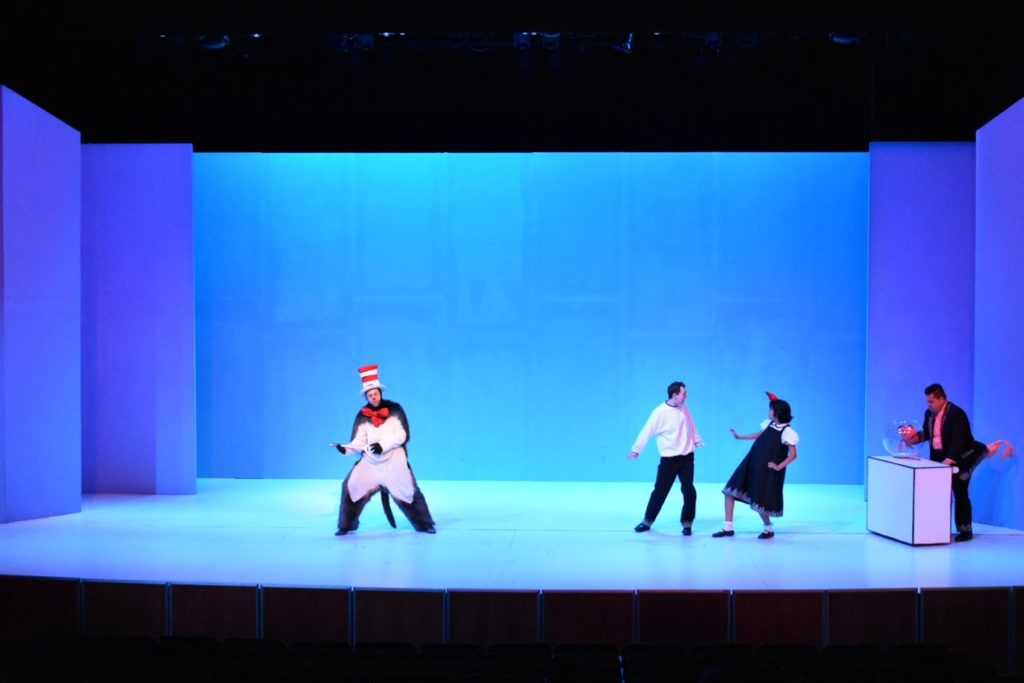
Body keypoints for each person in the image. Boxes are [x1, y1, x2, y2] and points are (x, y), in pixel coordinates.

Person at [898, 383, 1015, 542]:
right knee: (938, 493)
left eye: (931, 401)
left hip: (962, 457)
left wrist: (950, 459)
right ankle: (936, 528)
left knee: (960, 490)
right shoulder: (929, 413)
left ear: (941, 398)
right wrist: (913, 438)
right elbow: (927, 434)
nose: (928, 405)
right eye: (927, 402)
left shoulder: (956, 414)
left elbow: (959, 439)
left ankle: (965, 530)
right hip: (940, 459)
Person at [330, 364, 436, 535]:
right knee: (351, 486)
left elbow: (402, 435)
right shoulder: (362, 416)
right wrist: (346, 449)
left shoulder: (395, 410)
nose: (373, 397)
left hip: (394, 461)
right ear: (366, 396)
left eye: (375, 393)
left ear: (380, 393)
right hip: (371, 463)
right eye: (369, 395)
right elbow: (358, 442)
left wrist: (383, 445)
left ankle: (425, 524)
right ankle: (346, 525)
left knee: (408, 491)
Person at [712, 391, 798, 540]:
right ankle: (728, 527)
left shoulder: (787, 432)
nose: (769, 411)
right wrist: (740, 437)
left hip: (766, 471)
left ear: (777, 412)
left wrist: (779, 466)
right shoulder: (769, 424)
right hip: (751, 463)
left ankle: (768, 528)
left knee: (760, 500)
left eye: (771, 409)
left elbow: (793, 454)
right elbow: (759, 435)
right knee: (729, 491)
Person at [628, 381, 704, 535]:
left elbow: (691, 425)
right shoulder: (659, 412)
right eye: (684, 393)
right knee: (660, 491)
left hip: (687, 458)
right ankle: (647, 521)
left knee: (689, 491)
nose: (686, 396)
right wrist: (636, 450)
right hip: (669, 460)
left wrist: (696, 440)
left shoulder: (685, 409)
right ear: (674, 395)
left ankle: (687, 523)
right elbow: (647, 431)